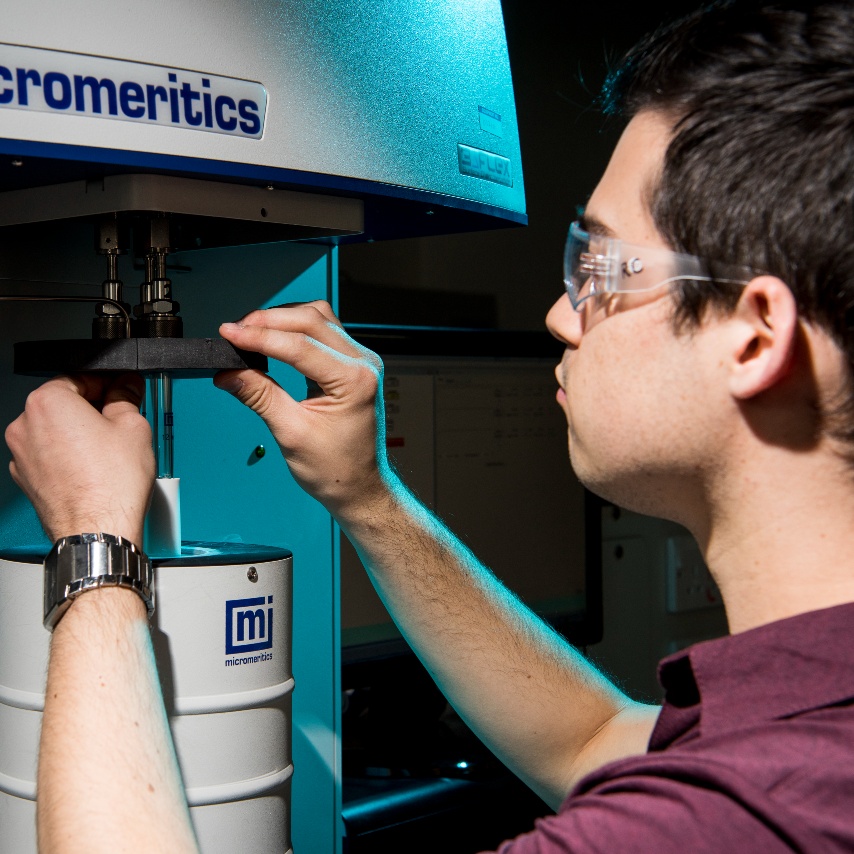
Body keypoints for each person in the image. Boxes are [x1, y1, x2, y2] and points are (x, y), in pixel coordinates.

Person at [6, 0, 854, 850]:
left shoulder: (727, 819)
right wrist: (368, 498)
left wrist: (93, 544)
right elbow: (595, 740)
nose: (561, 316)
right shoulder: (809, 712)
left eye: (599, 268)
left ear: (753, 334)